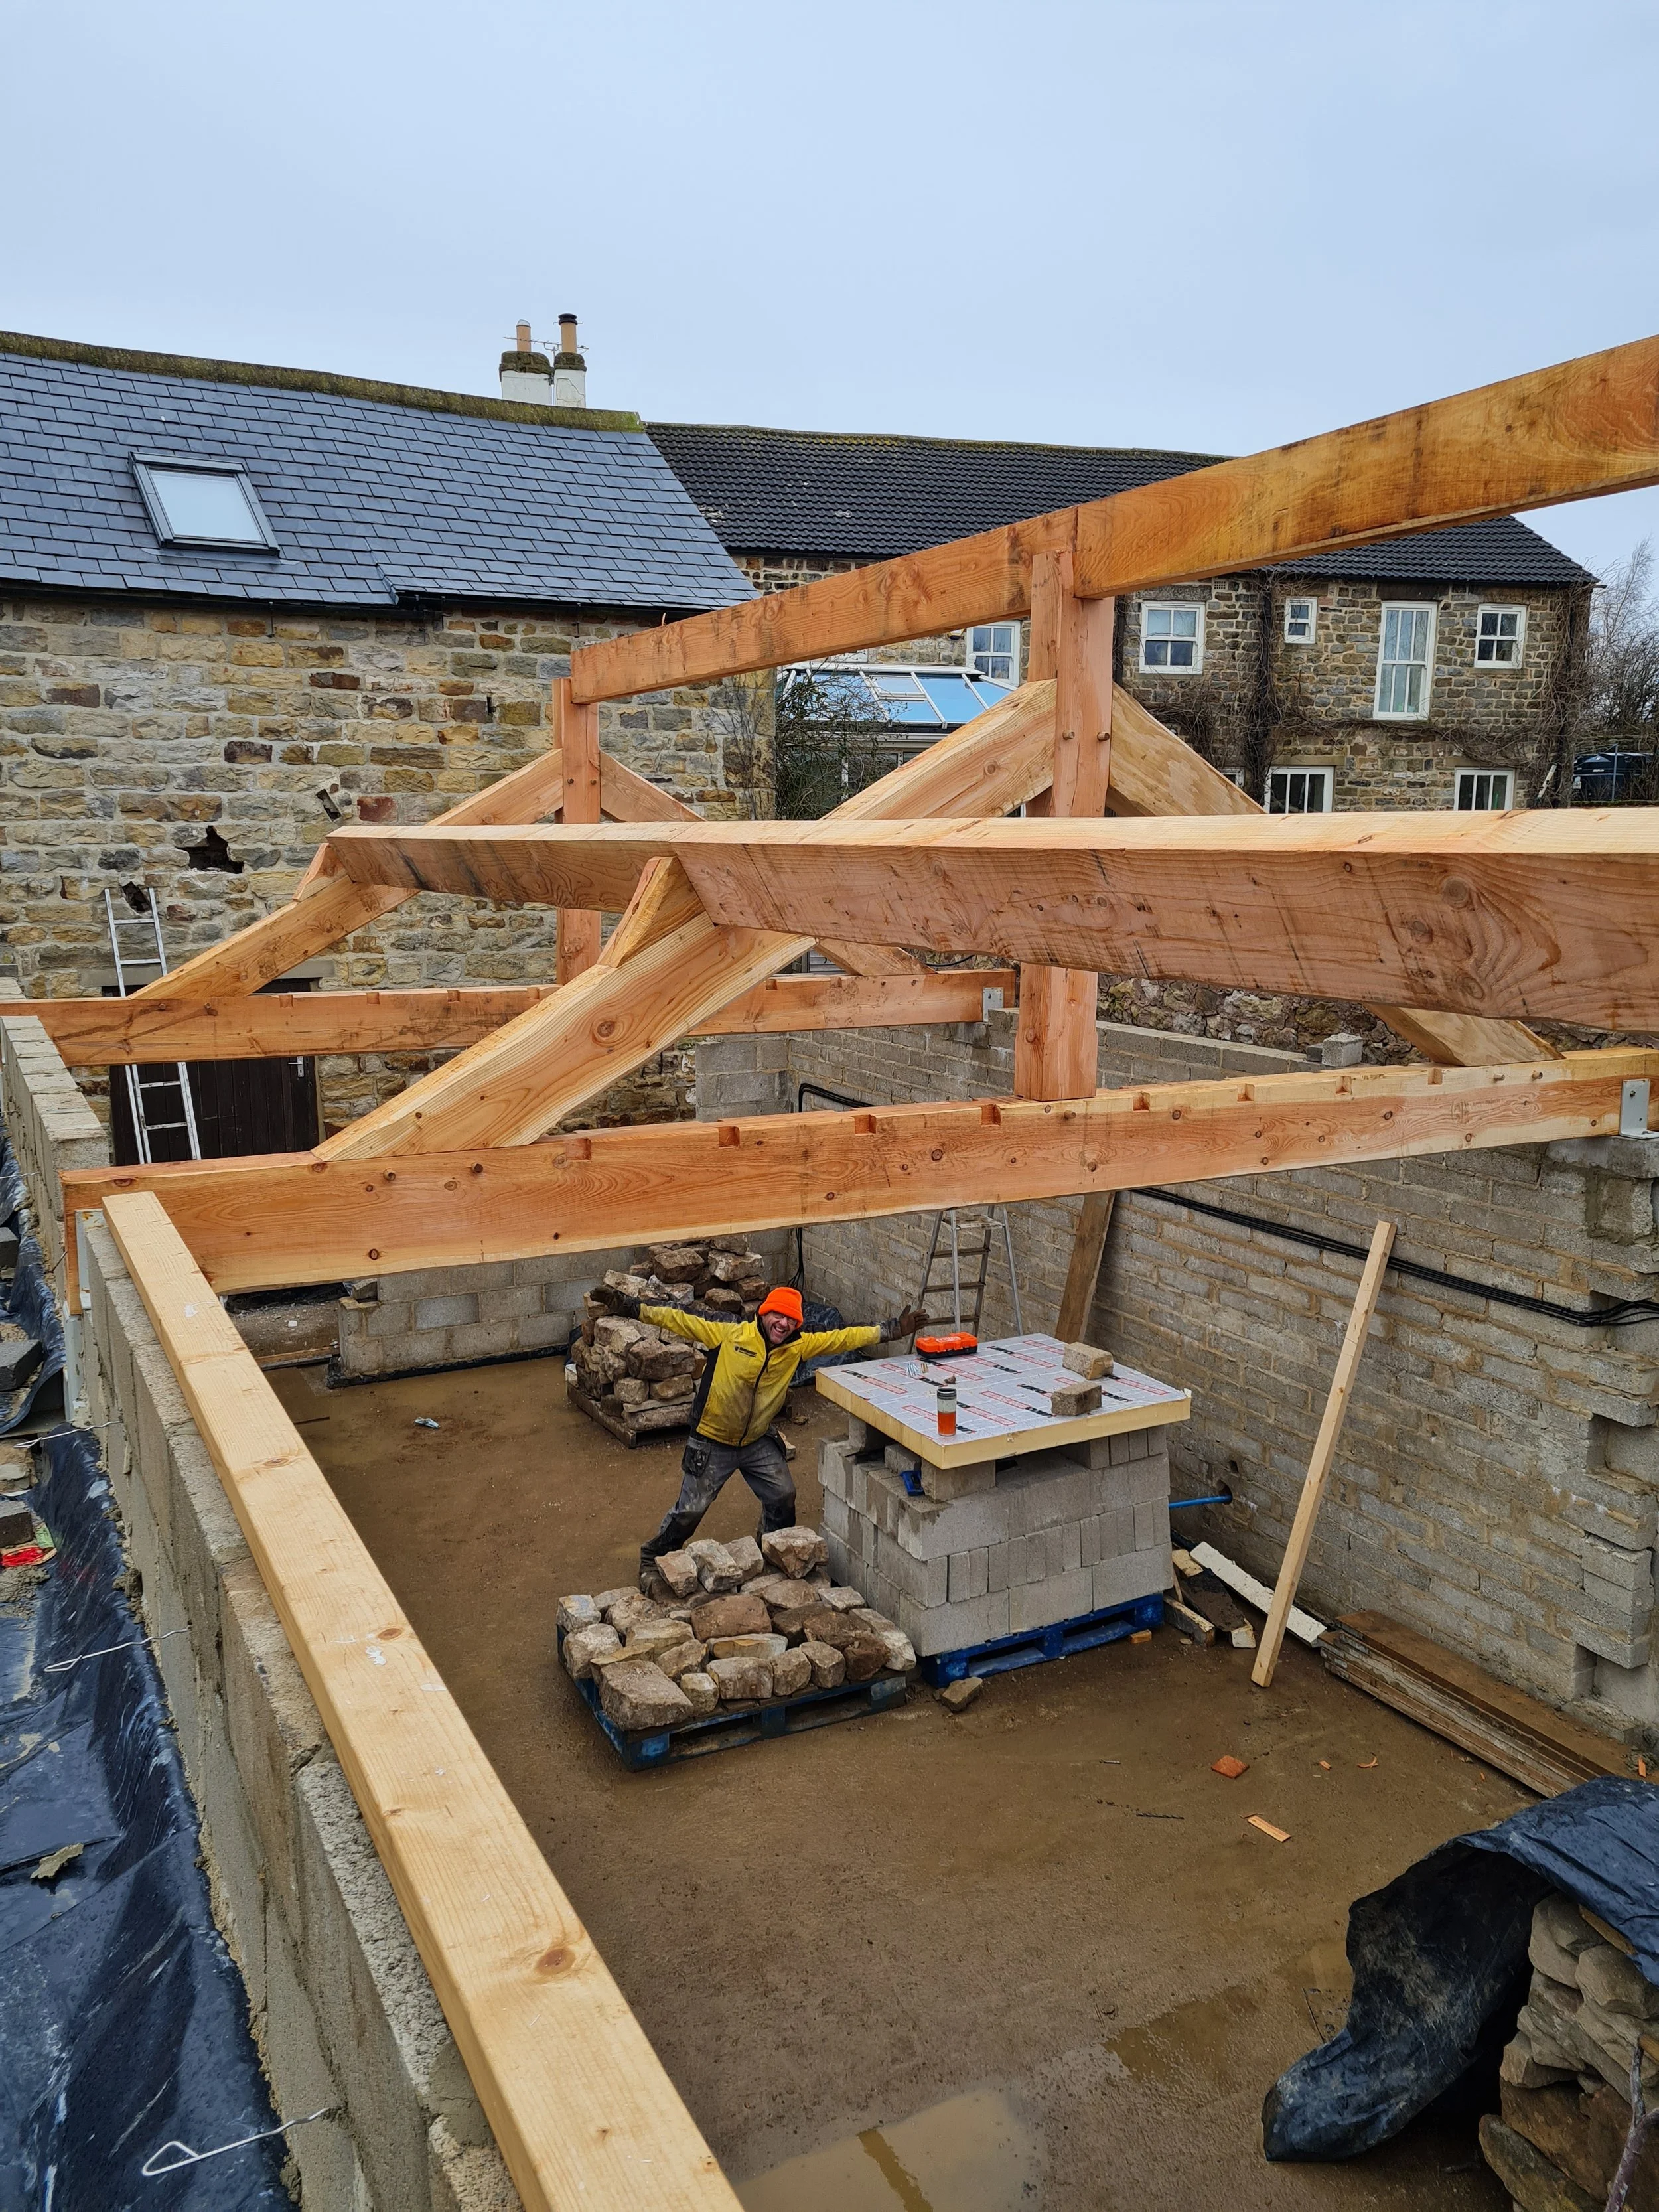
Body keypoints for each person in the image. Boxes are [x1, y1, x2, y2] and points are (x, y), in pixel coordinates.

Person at [598, 1281, 924, 1589]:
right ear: (764, 1313)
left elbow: (844, 1337)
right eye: (778, 1315)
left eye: (791, 1319)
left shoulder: (798, 1346)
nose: (784, 1324)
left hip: (756, 1440)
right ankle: (653, 1558)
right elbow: (676, 1318)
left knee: (783, 1495)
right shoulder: (729, 1333)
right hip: (712, 1439)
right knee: (690, 1510)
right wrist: (630, 1307)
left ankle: (773, 1550)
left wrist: (892, 1330)